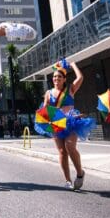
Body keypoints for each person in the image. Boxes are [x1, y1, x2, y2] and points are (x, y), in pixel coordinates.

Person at [35, 60, 95, 190]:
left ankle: (80, 173)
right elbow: (45, 110)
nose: (56, 78)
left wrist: (73, 64)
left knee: (70, 147)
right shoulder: (48, 93)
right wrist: (41, 116)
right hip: (56, 124)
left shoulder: (70, 89)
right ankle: (67, 180)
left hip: (71, 122)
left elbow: (80, 77)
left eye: (59, 77)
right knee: (62, 152)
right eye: (55, 77)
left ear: (64, 79)